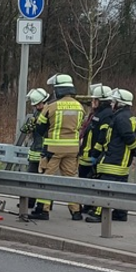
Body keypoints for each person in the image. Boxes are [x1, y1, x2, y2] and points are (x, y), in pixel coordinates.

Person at [30, 73, 85, 221]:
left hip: (53, 150)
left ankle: (43, 210)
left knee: (46, 179)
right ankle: (76, 211)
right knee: (71, 180)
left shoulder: (51, 107)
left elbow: (40, 129)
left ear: (57, 90)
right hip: (72, 150)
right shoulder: (79, 106)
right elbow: (80, 126)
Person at [86, 89, 136, 223]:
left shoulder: (121, 118)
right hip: (120, 160)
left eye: (114, 102)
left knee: (105, 187)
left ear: (120, 103)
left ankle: (99, 214)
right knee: (120, 189)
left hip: (114, 160)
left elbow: (128, 136)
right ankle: (120, 213)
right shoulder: (127, 117)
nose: (112, 104)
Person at [19, 87, 50, 211]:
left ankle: (43, 206)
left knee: (43, 181)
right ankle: (30, 202)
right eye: (36, 105)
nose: (37, 107)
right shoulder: (36, 113)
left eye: (39, 104)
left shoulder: (50, 112)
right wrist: (29, 126)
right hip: (34, 150)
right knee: (30, 178)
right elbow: (24, 129)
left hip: (44, 151)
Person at [78, 84, 113, 181]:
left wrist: (95, 154)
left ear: (101, 102)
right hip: (86, 156)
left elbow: (102, 137)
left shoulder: (106, 115)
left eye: (94, 100)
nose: (92, 102)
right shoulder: (97, 113)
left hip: (92, 157)